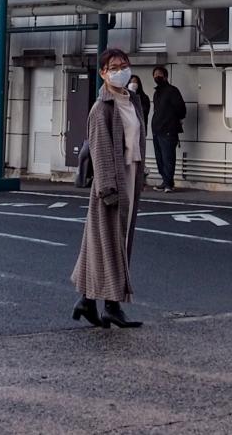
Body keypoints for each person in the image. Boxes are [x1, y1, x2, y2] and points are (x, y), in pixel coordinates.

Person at [70, 48, 146, 329]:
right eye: (113, 67)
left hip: (130, 174)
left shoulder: (132, 101)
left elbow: (136, 139)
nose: (120, 70)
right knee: (111, 242)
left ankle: (88, 301)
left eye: (124, 65)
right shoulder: (101, 108)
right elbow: (100, 151)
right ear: (102, 73)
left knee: (109, 242)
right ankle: (111, 306)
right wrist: (108, 189)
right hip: (111, 182)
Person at [150, 66, 187, 192]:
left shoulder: (172, 91)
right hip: (157, 129)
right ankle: (166, 181)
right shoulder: (157, 93)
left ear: (166, 76)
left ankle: (168, 184)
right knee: (160, 158)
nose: (157, 77)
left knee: (168, 158)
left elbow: (181, 109)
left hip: (168, 130)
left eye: (159, 74)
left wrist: (177, 119)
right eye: (155, 75)